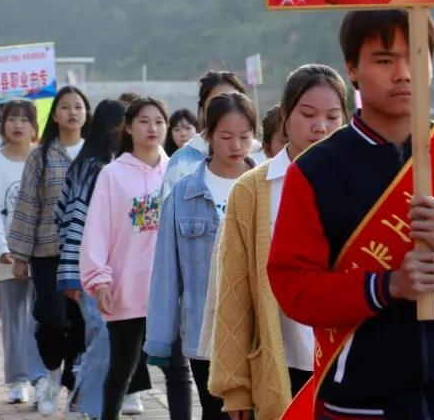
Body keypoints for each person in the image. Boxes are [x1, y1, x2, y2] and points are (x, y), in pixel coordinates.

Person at [268, 10, 434, 420]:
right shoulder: (316, 173)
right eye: (385, 60)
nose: (403, 73)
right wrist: (387, 286)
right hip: (360, 400)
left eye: (416, 57)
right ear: (351, 69)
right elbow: (294, 290)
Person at [209, 65, 349, 420]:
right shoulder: (253, 190)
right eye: (308, 114)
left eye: (333, 116)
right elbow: (234, 294)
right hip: (284, 362)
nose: (321, 126)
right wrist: (236, 387)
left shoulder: (365, 183)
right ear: (285, 116)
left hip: (351, 360)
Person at [146, 92, 259, 420]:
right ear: (207, 136)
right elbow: (167, 273)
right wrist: (160, 341)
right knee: (217, 412)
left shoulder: (267, 187)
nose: (236, 146)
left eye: (244, 137)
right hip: (203, 330)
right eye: (225, 137)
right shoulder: (183, 194)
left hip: (259, 330)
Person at [81, 97, 176, 420]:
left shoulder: (178, 172)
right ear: (129, 127)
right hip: (127, 288)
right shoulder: (112, 174)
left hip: (170, 290)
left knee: (178, 371)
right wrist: (99, 279)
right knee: (122, 367)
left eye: (159, 121)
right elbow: (97, 230)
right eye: (144, 121)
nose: (152, 128)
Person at [8, 85, 91, 417]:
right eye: (66, 107)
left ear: (87, 114)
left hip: (87, 255)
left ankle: (75, 388)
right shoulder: (40, 156)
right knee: (52, 318)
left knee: (83, 323)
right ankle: (51, 375)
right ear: (55, 114)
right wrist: (19, 256)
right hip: (47, 252)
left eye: (78, 107)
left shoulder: (98, 155)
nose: (72, 112)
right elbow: (28, 206)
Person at [0, 100, 47, 405]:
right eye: (11, 119)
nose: (18, 125)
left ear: (35, 127)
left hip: (43, 254)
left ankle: (42, 375)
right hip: (6, 257)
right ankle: (17, 379)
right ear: (2, 125)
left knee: (42, 319)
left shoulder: (45, 160)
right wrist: (2, 249)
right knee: (14, 320)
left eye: (24, 119)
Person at [161, 71, 267, 199]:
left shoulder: (262, 156)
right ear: (203, 107)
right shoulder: (182, 161)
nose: (227, 106)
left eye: (234, 98)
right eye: (217, 100)